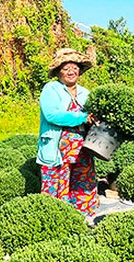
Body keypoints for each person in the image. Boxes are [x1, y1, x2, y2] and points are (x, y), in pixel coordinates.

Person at [36, 48, 99, 219]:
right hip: (58, 149)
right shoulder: (51, 89)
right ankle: (57, 220)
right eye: (66, 68)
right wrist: (82, 117)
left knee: (82, 182)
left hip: (82, 149)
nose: (71, 71)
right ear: (58, 71)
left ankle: (81, 218)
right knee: (57, 184)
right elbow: (52, 114)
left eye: (74, 67)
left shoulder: (85, 92)